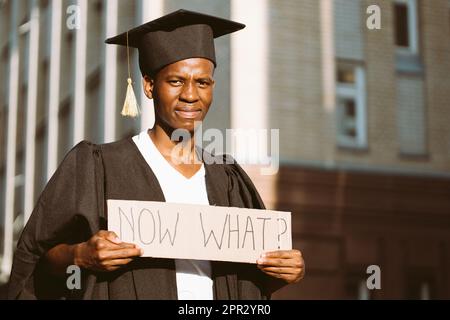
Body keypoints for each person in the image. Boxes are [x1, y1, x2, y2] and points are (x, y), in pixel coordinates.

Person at [7, 9, 304, 300]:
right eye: (176, 81)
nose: (191, 94)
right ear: (149, 86)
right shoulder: (99, 167)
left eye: (202, 82)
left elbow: (248, 286)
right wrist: (80, 255)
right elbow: (36, 263)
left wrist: (283, 273)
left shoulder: (228, 179)